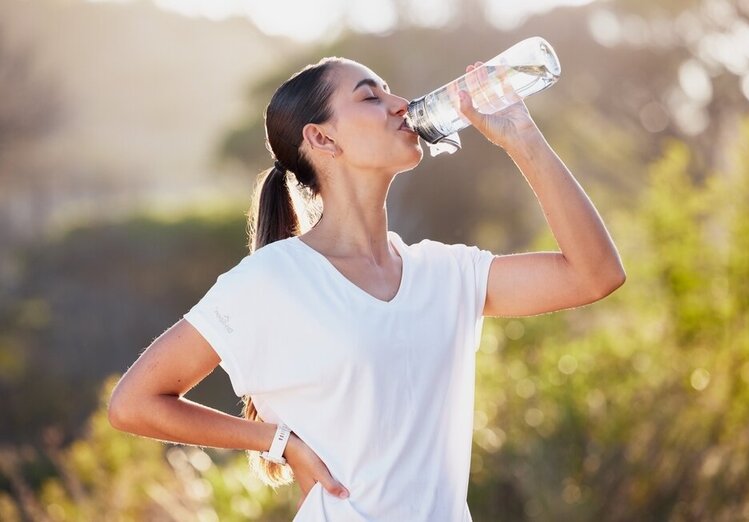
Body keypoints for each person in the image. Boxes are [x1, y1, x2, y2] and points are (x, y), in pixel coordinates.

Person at [108, 56, 625, 521]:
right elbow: (134, 402)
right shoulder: (273, 279)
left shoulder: (445, 274)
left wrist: (523, 137)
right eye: (370, 97)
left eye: (390, 92)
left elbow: (595, 274)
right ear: (322, 139)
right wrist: (277, 441)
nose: (400, 106)